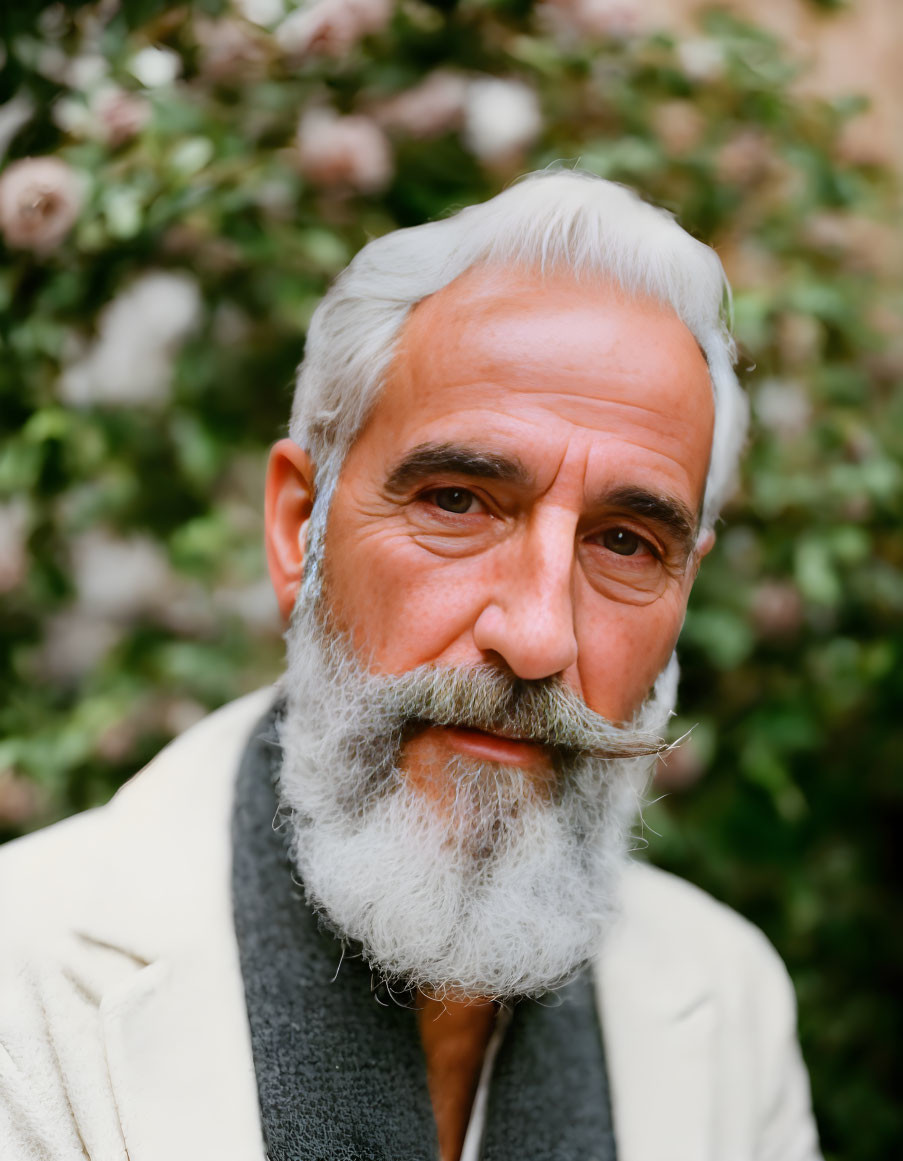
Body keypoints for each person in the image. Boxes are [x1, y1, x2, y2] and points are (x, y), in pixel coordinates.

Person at [0, 170, 821, 1161]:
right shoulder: (28, 986)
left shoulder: (729, 1005)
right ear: (298, 527)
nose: (537, 637)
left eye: (624, 544)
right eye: (457, 503)